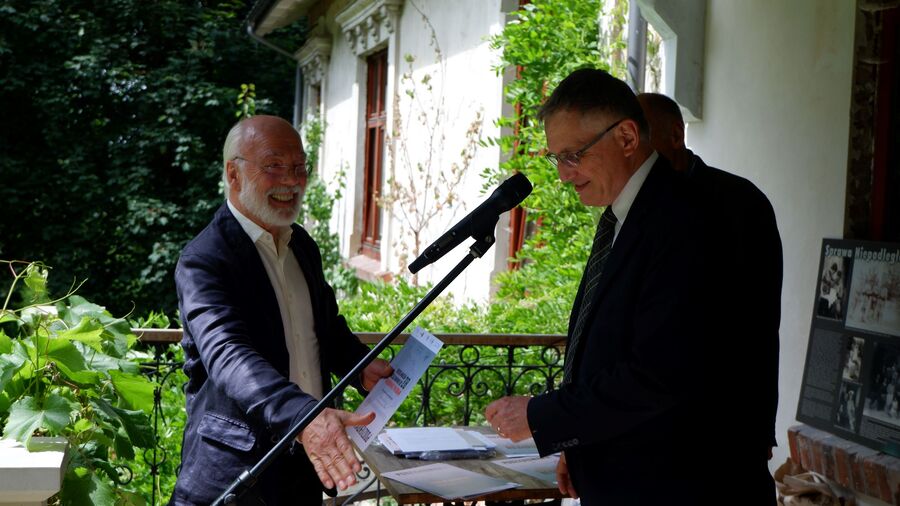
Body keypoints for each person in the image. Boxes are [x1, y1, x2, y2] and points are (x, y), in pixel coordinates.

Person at [485, 70, 778, 505]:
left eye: (573, 155)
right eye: (556, 158)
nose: (563, 174)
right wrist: (577, 444)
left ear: (626, 137)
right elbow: (612, 347)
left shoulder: (687, 218)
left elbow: (660, 371)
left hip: (684, 485)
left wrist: (542, 415)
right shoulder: (628, 214)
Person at [170, 115, 393, 505]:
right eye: (274, 166)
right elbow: (228, 355)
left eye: (299, 168)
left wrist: (360, 366)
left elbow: (324, 329)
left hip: (305, 467)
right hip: (237, 475)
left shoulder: (301, 245)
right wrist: (304, 417)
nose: (291, 181)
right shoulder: (204, 260)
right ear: (234, 174)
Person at [638, 91, 783, 465]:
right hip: (648, 422)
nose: (635, 151)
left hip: (723, 415)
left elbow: (761, 322)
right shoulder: (635, 205)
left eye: (643, 136)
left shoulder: (739, 202)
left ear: (676, 135)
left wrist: (760, 426)